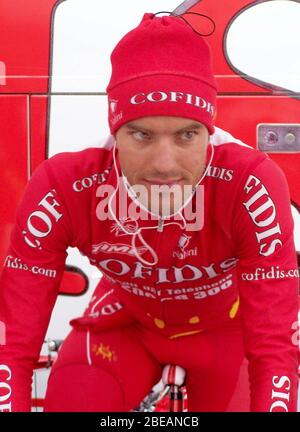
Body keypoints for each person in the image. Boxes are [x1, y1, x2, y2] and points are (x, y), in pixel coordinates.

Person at [0, 12, 299, 412]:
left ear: (209, 131)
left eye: (186, 135)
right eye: (141, 134)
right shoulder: (65, 184)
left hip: (227, 333)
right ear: (115, 130)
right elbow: (12, 349)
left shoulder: (249, 182)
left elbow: (275, 350)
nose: (164, 164)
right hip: (126, 324)